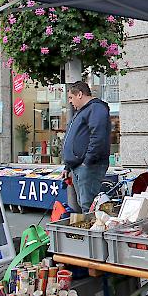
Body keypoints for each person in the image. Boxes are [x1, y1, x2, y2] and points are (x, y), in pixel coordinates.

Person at [61, 81, 111, 213]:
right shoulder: (82, 111)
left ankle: (93, 232)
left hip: (90, 165)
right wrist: (67, 166)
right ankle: (90, 231)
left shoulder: (96, 108)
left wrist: (87, 161)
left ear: (80, 94)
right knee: (84, 203)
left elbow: (98, 137)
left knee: (88, 205)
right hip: (78, 165)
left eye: (71, 97)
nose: (70, 102)